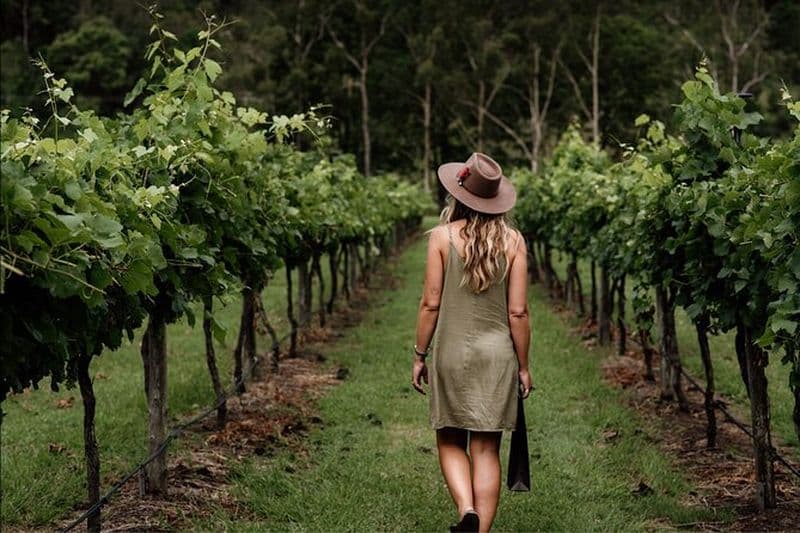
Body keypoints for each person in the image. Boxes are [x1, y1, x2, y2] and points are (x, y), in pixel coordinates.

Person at [412, 152, 532, 533]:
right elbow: (518, 312)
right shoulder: (514, 242)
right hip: (497, 358)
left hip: (451, 353)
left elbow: (430, 303)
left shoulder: (442, 237)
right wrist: (524, 366)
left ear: (459, 194)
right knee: (486, 448)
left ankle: (467, 511)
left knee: (450, 440)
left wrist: (419, 354)